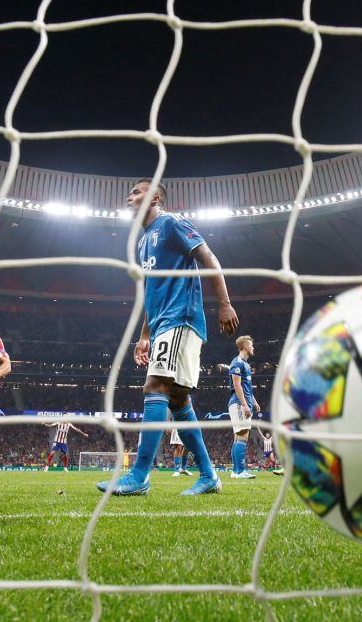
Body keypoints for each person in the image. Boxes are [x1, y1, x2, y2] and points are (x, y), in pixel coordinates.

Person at [97, 178, 239, 496]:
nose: (129, 196)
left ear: (156, 198)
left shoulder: (172, 223)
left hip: (180, 317)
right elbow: (151, 290)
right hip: (162, 324)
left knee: (155, 387)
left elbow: (209, 257)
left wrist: (225, 304)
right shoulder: (142, 241)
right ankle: (208, 476)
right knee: (177, 399)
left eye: (137, 191)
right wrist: (145, 335)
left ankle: (139, 476)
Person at [228, 335, 259, 479]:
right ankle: (240, 471)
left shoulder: (245, 364)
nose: (253, 347)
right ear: (246, 346)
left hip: (244, 403)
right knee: (242, 436)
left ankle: (235, 471)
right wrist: (245, 405)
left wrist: (254, 402)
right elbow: (236, 385)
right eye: (251, 345)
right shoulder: (237, 362)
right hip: (240, 404)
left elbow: (247, 388)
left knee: (238, 437)